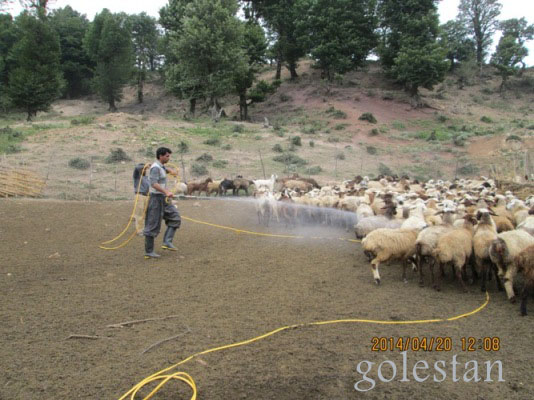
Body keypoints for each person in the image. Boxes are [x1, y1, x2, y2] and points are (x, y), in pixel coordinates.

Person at [143, 147, 181, 258]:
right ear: (161, 156)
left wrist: (171, 171)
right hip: (155, 199)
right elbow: (153, 183)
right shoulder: (155, 168)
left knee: (175, 217)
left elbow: (164, 169)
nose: (169, 158)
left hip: (164, 198)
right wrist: (166, 191)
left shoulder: (161, 166)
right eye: (167, 156)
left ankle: (167, 242)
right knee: (152, 224)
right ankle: (149, 252)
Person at [133, 162, 150, 233]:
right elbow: (137, 168)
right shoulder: (137, 176)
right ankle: (140, 230)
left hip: (147, 196)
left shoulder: (147, 178)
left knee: (148, 213)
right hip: (139, 195)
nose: (144, 170)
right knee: (140, 214)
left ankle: (147, 228)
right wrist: (146, 165)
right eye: (143, 169)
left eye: (145, 169)